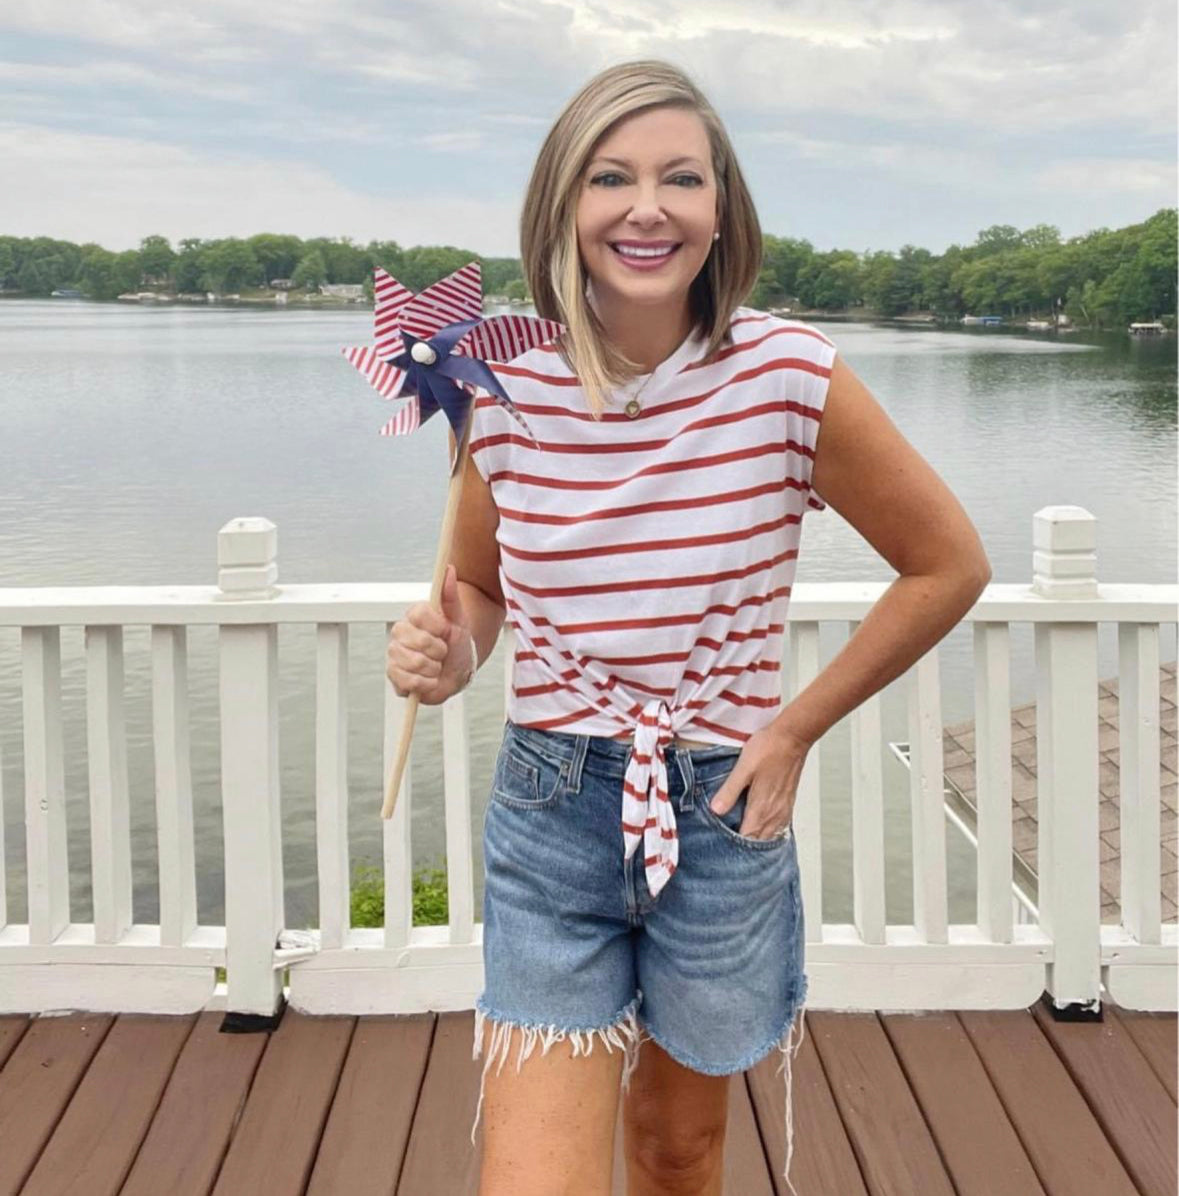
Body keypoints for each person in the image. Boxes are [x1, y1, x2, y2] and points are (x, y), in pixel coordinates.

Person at [386, 58, 991, 1196]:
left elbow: (947, 564)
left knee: (677, 1149)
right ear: (564, 203)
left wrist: (795, 727)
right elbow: (478, 592)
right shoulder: (496, 381)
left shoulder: (788, 376)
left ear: (723, 210)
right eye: (611, 176)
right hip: (554, 805)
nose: (647, 205)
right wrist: (445, 650)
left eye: (681, 178)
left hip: (717, 806)